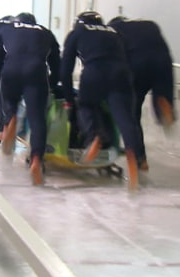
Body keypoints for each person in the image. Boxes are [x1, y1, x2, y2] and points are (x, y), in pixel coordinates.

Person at [60, 11, 143, 190]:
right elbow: (130, 58)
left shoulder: (78, 32)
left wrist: (68, 98)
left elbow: (65, 69)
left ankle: (94, 136)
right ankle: (133, 159)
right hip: (122, 75)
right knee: (125, 119)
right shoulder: (115, 31)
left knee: (86, 105)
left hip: (94, 72)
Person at [0, 12, 61, 185]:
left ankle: (10, 119)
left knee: (9, 102)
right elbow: (57, 63)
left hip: (11, 69)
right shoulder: (45, 32)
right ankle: (36, 158)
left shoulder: (7, 28)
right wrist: (50, 83)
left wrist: (0, 76)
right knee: (37, 119)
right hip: (36, 72)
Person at [108, 16, 176, 171]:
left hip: (136, 63)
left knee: (132, 113)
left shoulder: (114, 30)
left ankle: (140, 159)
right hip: (163, 60)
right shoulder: (148, 24)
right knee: (163, 87)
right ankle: (164, 104)